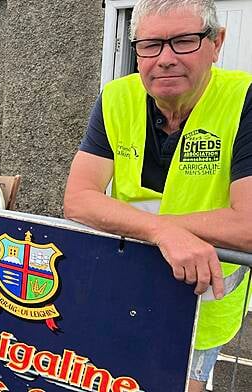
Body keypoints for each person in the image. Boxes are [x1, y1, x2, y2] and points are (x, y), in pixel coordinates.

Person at [63, 0, 252, 390]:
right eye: (150, 45)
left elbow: (249, 223)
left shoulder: (244, 100)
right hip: (124, 292)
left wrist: (146, 226)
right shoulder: (116, 98)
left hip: (200, 306)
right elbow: (78, 199)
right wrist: (161, 232)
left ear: (216, 43)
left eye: (183, 41)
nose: (164, 59)